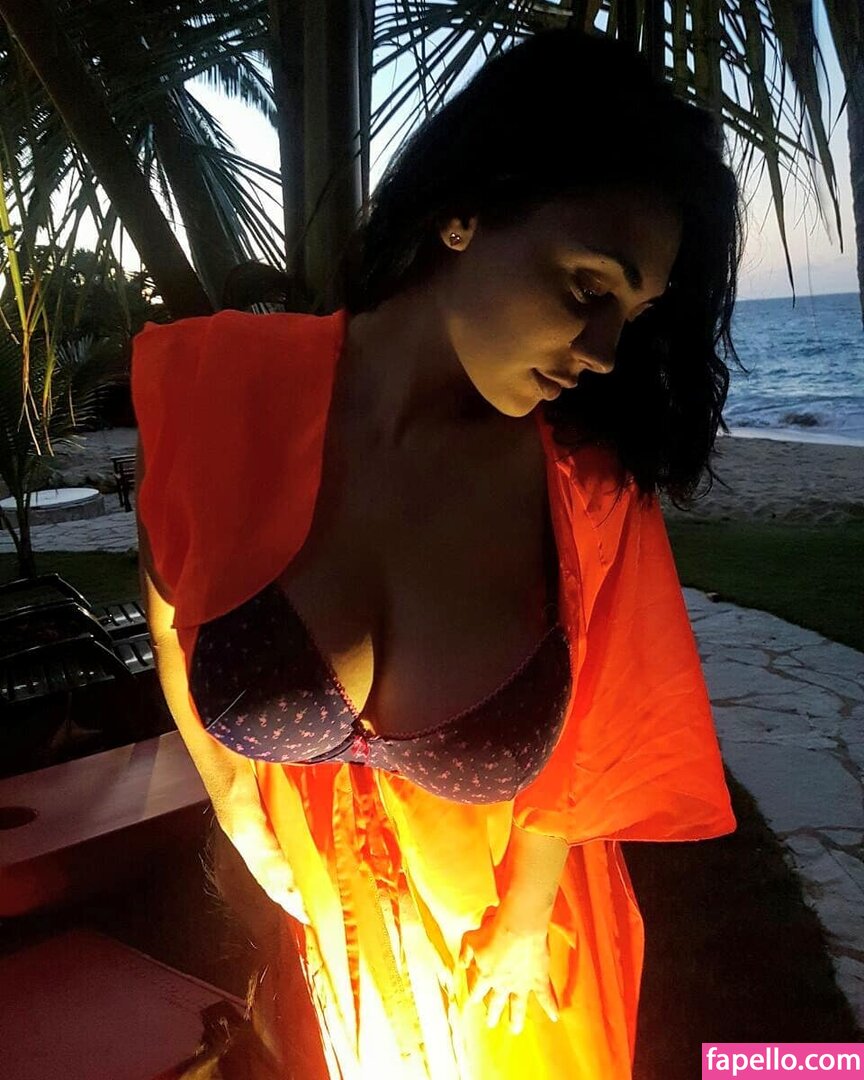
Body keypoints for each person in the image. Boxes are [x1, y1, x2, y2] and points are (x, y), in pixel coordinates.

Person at [134, 27, 741, 1079]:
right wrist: (233, 801)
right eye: (589, 287)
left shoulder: (583, 490)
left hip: (513, 966)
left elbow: (598, 729)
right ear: (463, 212)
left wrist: (528, 919)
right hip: (335, 932)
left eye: (632, 316)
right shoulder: (214, 386)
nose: (605, 353)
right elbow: (164, 594)